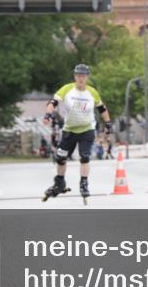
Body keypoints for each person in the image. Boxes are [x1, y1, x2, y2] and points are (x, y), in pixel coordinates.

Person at [42, 64, 112, 203]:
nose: (81, 79)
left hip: (87, 129)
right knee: (60, 158)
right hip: (69, 130)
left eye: (83, 76)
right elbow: (53, 102)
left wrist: (108, 124)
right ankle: (60, 183)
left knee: (84, 157)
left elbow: (102, 109)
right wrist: (48, 115)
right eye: (78, 76)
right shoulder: (67, 89)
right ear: (75, 77)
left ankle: (84, 183)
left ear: (87, 78)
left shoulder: (92, 92)